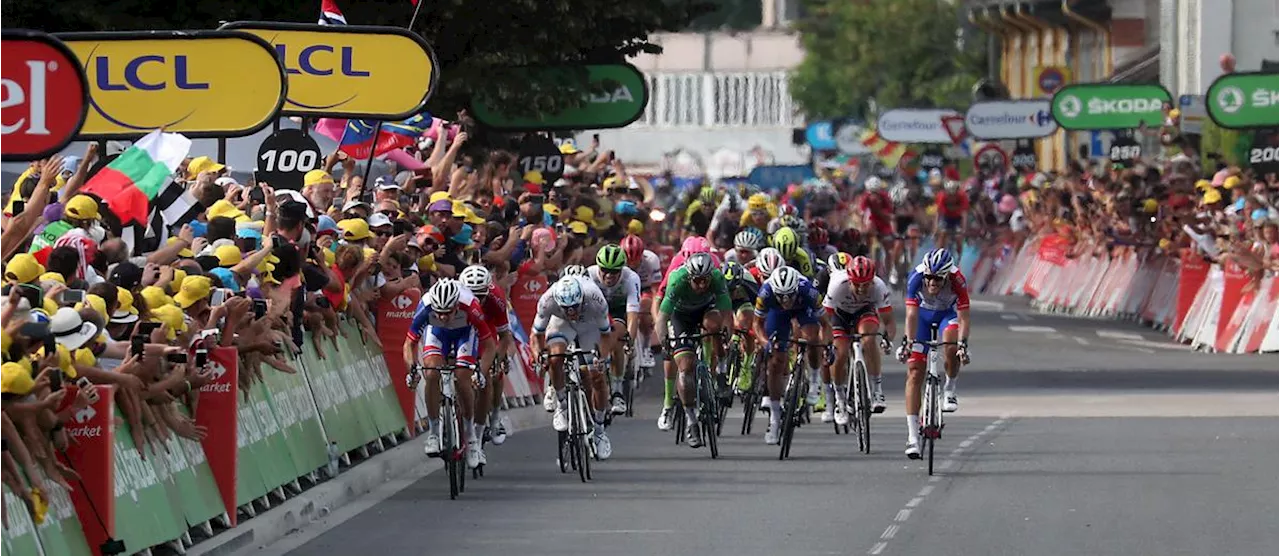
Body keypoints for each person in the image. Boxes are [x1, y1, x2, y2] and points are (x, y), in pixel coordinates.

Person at [404, 278, 497, 470]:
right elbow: (409, 343)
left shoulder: (471, 306)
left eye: (447, 313)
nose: (443, 317)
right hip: (438, 334)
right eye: (439, 312)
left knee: (463, 379)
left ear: (456, 305)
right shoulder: (427, 305)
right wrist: (411, 369)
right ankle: (434, 433)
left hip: (464, 334)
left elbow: (489, 346)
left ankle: (471, 437)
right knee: (431, 373)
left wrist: (481, 372)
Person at [895, 249, 972, 460]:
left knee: (950, 345)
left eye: (938, 279)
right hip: (922, 316)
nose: (932, 282)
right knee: (914, 373)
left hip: (948, 314)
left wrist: (963, 345)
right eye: (929, 277)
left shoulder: (958, 280)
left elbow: (964, 317)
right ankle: (912, 437)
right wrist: (908, 342)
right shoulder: (916, 277)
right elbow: (911, 315)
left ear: (947, 275)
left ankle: (950, 388)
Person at [530, 275, 616, 460]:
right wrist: (538, 354)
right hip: (561, 325)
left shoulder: (595, 298)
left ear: (581, 300)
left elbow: (607, 336)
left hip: (589, 325)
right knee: (555, 358)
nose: (571, 312)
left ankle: (600, 431)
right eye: (566, 308)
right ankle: (561, 404)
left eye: (574, 307)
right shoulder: (547, 300)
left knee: (597, 376)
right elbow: (536, 335)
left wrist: (602, 358)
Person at [654, 252, 730, 448]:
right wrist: (664, 342)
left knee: (715, 327)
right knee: (685, 367)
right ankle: (691, 420)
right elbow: (662, 318)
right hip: (682, 317)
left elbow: (726, 311)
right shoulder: (677, 281)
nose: (703, 285)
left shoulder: (717, 278)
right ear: (689, 277)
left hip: (707, 309)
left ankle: (721, 371)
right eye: (697, 281)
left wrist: (727, 333)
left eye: (705, 280)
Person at [751, 265, 826, 445]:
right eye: (781, 297)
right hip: (777, 314)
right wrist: (766, 343)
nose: (786, 300)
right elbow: (757, 325)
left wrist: (827, 345)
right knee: (776, 361)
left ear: (795, 290)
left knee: (812, 337)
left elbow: (826, 324)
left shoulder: (809, 291)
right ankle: (774, 420)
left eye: (789, 296)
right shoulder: (766, 293)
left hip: (803, 309)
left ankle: (815, 380)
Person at [823, 255, 894, 424]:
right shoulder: (837, 285)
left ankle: (877, 390)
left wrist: (887, 339)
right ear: (849, 280)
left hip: (864, 312)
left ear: (872, 280)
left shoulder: (879, 287)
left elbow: (889, 321)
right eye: (857, 284)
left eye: (866, 284)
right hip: (840, 316)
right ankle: (840, 400)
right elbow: (824, 320)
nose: (862, 289)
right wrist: (827, 345)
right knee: (839, 355)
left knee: (869, 340)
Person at [458, 265, 513, 447]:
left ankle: (495, 418)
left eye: (481, 294)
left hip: (487, 325)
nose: (476, 299)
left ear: (488, 290)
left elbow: (504, 336)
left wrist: (497, 357)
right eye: (472, 294)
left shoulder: (496, 297)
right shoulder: (455, 297)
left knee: (493, 372)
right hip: (464, 326)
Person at [586, 244, 642, 415]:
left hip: (618, 311)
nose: (609, 275)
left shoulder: (631, 278)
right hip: (596, 311)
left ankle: (617, 390)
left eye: (614, 271)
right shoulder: (588, 275)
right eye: (605, 270)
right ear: (598, 267)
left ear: (622, 269)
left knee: (618, 335)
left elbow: (632, 315)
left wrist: (630, 342)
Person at [935, 180, 970, 262]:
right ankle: (938, 256)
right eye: (949, 195)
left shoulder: (962, 196)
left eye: (953, 195)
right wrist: (936, 227)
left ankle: (959, 257)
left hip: (958, 218)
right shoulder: (942, 197)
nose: (951, 197)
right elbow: (938, 213)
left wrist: (963, 229)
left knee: (958, 237)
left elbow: (964, 214)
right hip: (946, 217)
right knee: (942, 234)